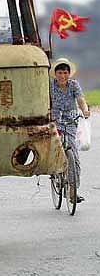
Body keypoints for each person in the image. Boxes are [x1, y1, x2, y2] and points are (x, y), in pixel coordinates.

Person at [50, 57, 90, 203]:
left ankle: (73, 192)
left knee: (73, 155)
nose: (63, 76)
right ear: (55, 74)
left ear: (69, 74)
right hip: (54, 122)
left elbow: (81, 100)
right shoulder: (50, 85)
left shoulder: (74, 85)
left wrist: (85, 110)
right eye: (60, 72)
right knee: (56, 149)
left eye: (65, 72)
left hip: (70, 121)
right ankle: (56, 173)